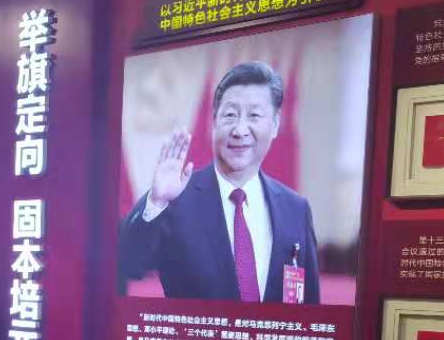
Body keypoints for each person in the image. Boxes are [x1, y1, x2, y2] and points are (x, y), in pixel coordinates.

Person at [118, 60, 321, 304]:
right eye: (230, 115)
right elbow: (127, 265)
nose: (240, 130)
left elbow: (310, 307)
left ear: (275, 124)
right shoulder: (176, 197)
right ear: (214, 121)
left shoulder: (296, 209)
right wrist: (157, 201)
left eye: (254, 115)